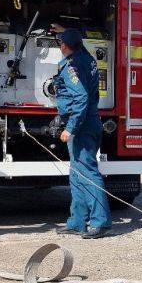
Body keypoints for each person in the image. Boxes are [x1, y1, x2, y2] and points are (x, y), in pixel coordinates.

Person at [53, 27, 111, 239]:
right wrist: (65, 31)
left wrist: (70, 128)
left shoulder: (72, 67)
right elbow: (78, 46)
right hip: (91, 122)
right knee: (77, 174)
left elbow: (81, 98)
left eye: (61, 42)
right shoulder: (86, 57)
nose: (60, 46)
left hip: (82, 125)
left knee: (87, 172)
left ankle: (100, 222)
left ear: (65, 46)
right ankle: (77, 221)